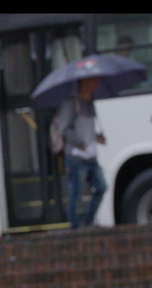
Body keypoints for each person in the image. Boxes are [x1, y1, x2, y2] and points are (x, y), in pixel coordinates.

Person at [56, 76, 108, 229]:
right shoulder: (72, 102)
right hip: (76, 156)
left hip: (91, 156)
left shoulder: (90, 102)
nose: (97, 83)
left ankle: (88, 219)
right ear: (84, 82)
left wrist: (98, 137)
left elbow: (87, 129)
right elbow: (64, 128)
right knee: (76, 192)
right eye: (93, 80)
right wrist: (80, 143)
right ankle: (76, 226)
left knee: (101, 187)